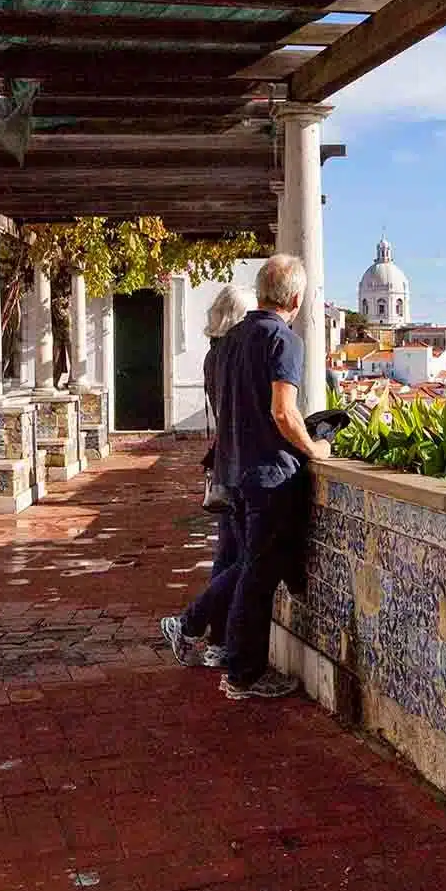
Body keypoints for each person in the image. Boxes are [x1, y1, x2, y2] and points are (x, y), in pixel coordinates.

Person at [161, 255, 329, 700]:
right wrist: (314, 448)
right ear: (296, 297)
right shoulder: (283, 341)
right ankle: (242, 673)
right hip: (269, 477)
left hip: (232, 471)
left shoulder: (230, 341)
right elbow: (283, 411)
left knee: (246, 567)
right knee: (256, 576)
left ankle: (201, 631)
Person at [187, 285, 256, 669]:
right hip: (241, 464)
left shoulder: (214, 355)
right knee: (246, 559)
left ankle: (215, 639)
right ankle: (191, 622)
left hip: (224, 464)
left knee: (228, 553)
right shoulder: (234, 355)